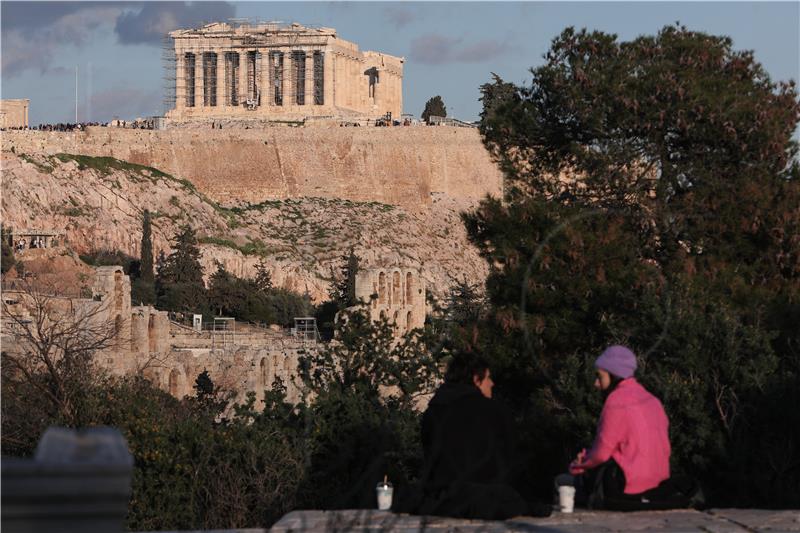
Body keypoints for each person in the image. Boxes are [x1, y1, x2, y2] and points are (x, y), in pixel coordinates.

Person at [394, 351, 551, 519]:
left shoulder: (433, 411)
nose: (491, 383)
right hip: (486, 500)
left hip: (442, 500)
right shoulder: (494, 411)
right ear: (476, 379)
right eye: (488, 378)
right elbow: (512, 460)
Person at [569, 345, 692, 511]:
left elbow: (601, 453)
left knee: (564, 482)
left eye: (600, 376)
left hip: (629, 489)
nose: (596, 384)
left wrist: (580, 465)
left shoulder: (616, 401)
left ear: (614, 375)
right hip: (659, 486)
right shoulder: (653, 401)